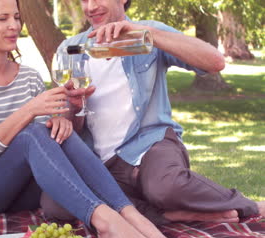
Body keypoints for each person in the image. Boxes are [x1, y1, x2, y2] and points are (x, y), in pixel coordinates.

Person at [0, 0, 183, 238]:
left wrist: (60, 122)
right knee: (32, 133)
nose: (14, 26)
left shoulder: (28, 77)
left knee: (55, 135)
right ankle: (105, 220)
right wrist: (30, 111)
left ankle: (131, 215)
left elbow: (41, 149)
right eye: (3, 19)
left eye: (16, 17)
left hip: (18, 193)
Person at [52, 0, 265, 225]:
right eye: (84, 0)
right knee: (56, 204)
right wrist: (74, 108)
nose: (90, 7)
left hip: (150, 146)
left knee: (166, 187)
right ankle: (170, 215)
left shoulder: (148, 32)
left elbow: (215, 62)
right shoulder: (71, 49)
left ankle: (250, 206)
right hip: (100, 162)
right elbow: (68, 126)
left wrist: (148, 33)